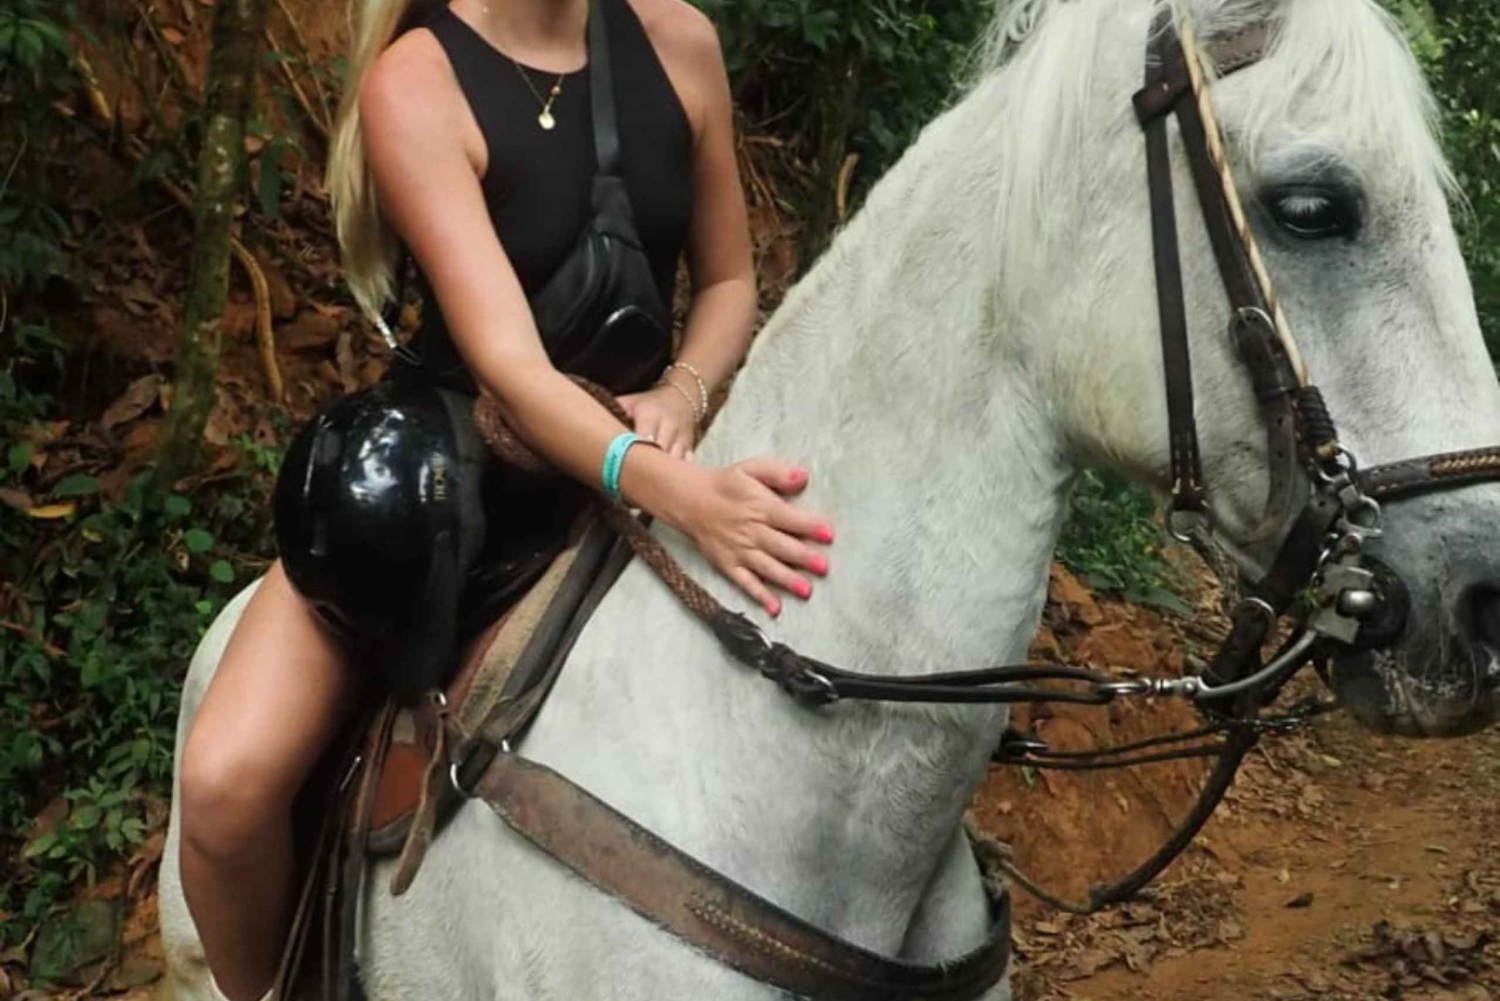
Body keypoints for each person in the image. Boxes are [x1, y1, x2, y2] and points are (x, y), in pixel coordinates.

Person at [175, 0, 834, 998]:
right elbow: (513, 371)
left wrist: (682, 393)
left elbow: (730, 280)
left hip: (650, 456)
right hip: (452, 494)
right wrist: (684, 494)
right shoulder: (417, 82)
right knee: (225, 787)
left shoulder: (680, 43)